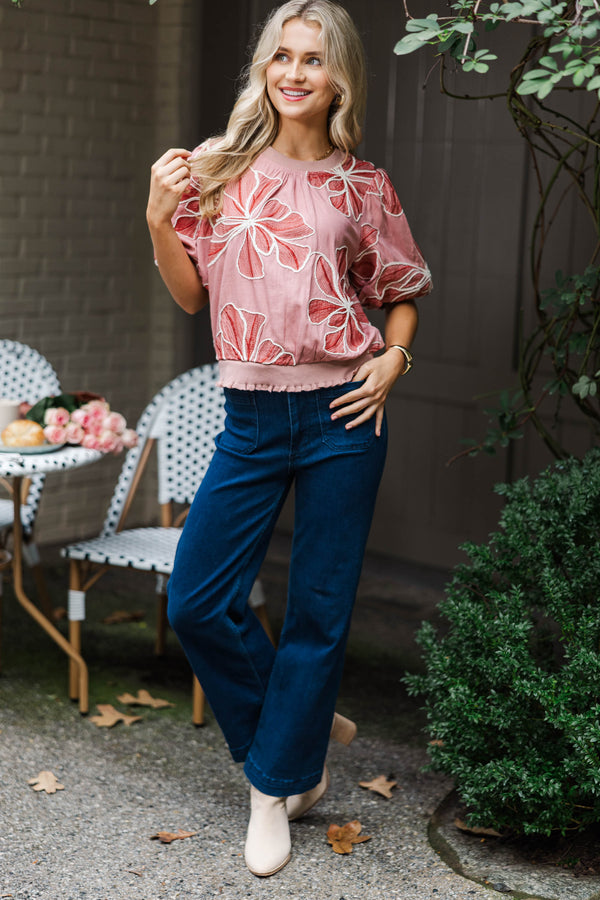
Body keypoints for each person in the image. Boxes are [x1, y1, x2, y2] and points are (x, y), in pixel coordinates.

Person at [146, 0, 432, 878]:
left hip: (345, 409)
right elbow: (193, 297)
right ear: (264, 68)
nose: (295, 72)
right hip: (253, 416)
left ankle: (276, 789)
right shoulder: (218, 171)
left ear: (339, 74)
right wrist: (160, 218)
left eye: (313, 58)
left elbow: (401, 286)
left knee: (317, 608)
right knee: (196, 600)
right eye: (282, 56)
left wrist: (395, 359)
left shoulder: (364, 184)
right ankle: (300, 722)